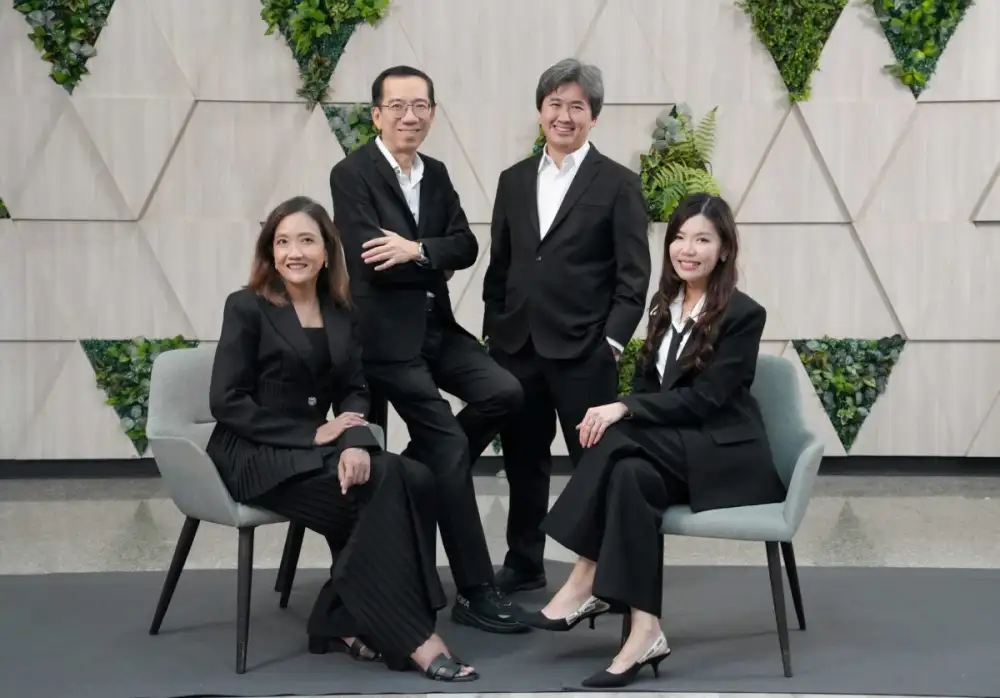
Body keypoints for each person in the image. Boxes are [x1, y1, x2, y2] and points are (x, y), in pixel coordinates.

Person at [514, 193, 789, 688]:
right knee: (629, 474)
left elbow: (706, 400)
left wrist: (623, 409)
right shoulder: (664, 305)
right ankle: (646, 631)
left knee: (618, 434)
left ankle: (584, 577)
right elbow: (646, 387)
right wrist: (630, 406)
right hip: (672, 451)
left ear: (724, 249)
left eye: (702, 239)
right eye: (680, 238)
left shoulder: (745, 314)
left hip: (725, 456)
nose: (688, 249)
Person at [206, 196, 477, 682]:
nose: (294, 252)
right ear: (270, 252)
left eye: (306, 241)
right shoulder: (246, 306)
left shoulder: (341, 311)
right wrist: (315, 434)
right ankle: (414, 636)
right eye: (282, 242)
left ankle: (343, 618)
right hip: (254, 453)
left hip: (318, 447)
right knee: (382, 489)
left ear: (327, 251)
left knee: (415, 477)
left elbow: (355, 388)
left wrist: (352, 440)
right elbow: (227, 402)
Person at [329, 65, 526, 634]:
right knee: (450, 445)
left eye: (419, 106)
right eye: (397, 106)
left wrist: (415, 249)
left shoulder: (435, 173)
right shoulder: (351, 173)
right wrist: (429, 255)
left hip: (437, 327)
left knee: (504, 392)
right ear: (376, 115)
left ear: (433, 114)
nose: (409, 116)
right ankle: (475, 589)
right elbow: (371, 256)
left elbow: (466, 246)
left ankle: (417, 467)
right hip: (385, 340)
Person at [482, 58, 651, 594]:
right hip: (517, 347)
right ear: (540, 111)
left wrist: (611, 343)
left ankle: (603, 570)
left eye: (577, 106)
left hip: (585, 351)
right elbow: (501, 265)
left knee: (593, 465)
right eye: (555, 103)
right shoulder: (512, 181)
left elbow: (634, 276)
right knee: (523, 461)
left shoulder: (619, 183)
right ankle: (524, 562)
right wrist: (494, 329)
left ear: (594, 116)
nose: (564, 115)